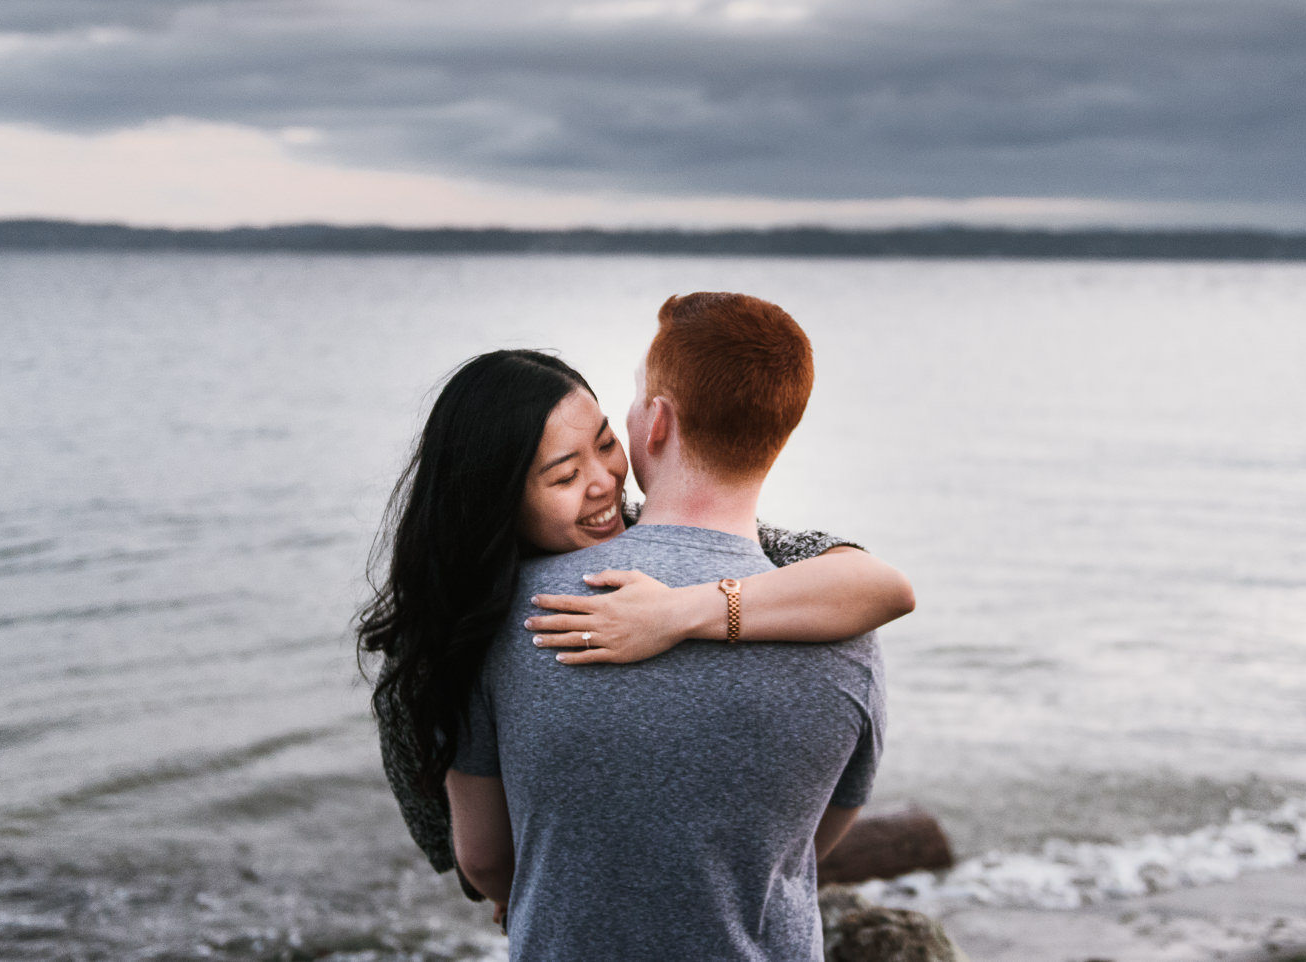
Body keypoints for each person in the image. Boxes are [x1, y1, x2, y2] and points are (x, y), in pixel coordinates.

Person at [357, 341, 913, 906]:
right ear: (495, 500)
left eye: (605, 443)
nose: (606, 481)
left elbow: (881, 587)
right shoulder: (441, 637)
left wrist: (679, 614)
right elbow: (470, 858)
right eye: (565, 476)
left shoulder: (640, 523)